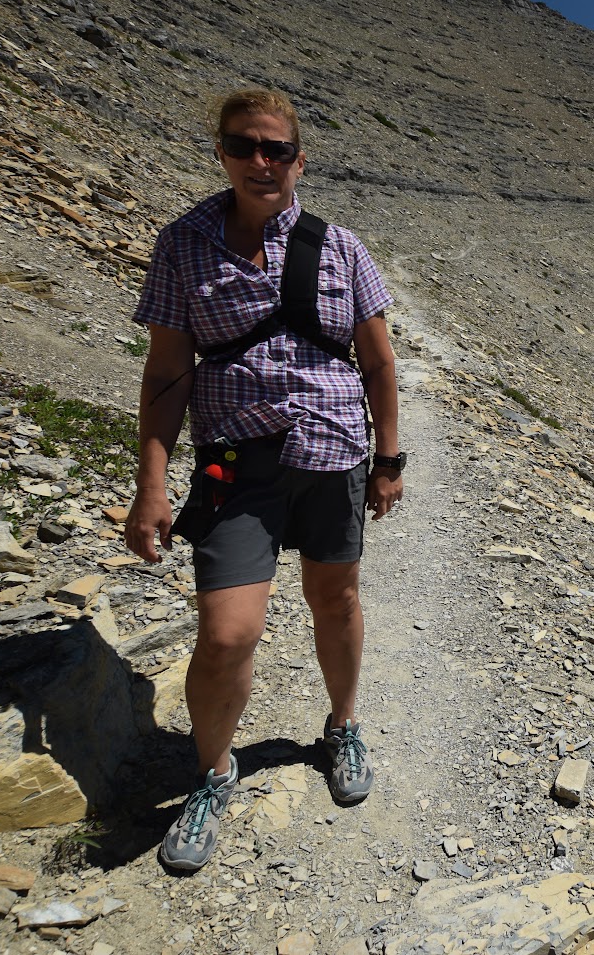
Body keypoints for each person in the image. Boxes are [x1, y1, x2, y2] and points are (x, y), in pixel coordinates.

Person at [124, 88, 404, 872]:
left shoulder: (340, 248)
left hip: (334, 451)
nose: (260, 161)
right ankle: (213, 772)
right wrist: (151, 482)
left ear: (298, 159)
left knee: (335, 597)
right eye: (243, 145)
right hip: (235, 462)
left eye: (275, 149)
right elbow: (168, 370)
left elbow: (379, 362)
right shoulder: (183, 245)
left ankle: (342, 725)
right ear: (220, 151)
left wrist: (388, 460)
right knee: (226, 633)